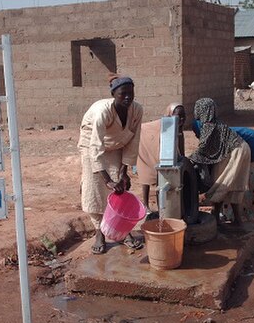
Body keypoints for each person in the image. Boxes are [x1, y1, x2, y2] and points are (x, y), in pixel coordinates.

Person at [78, 75, 144, 254]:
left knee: (119, 187)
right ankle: (99, 233)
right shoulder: (103, 112)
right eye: (123, 94)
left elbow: (133, 143)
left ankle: (123, 231)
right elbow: (95, 147)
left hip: (117, 143)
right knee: (96, 188)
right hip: (91, 143)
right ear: (114, 94)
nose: (128, 98)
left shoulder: (137, 110)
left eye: (131, 93)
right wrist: (106, 179)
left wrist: (124, 173)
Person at [189, 98, 251, 225]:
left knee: (220, 183)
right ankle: (236, 220)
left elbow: (203, 147)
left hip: (235, 152)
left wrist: (188, 159)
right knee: (232, 185)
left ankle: (217, 218)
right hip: (242, 149)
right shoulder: (217, 123)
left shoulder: (208, 126)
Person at [192, 121, 254, 221]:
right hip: (243, 148)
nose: (196, 135)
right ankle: (233, 216)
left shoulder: (217, 137)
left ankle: (249, 215)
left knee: (248, 182)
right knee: (233, 185)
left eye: (196, 132)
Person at [136, 103, 186, 213]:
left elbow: (181, 152)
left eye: (183, 115)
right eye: (178, 115)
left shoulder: (179, 128)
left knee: (162, 176)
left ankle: (162, 208)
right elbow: (163, 149)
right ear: (170, 115)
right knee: (148, 173)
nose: (182, 119)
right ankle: (145, 205)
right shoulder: (165, 126)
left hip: (156, 144)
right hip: (145, 141)